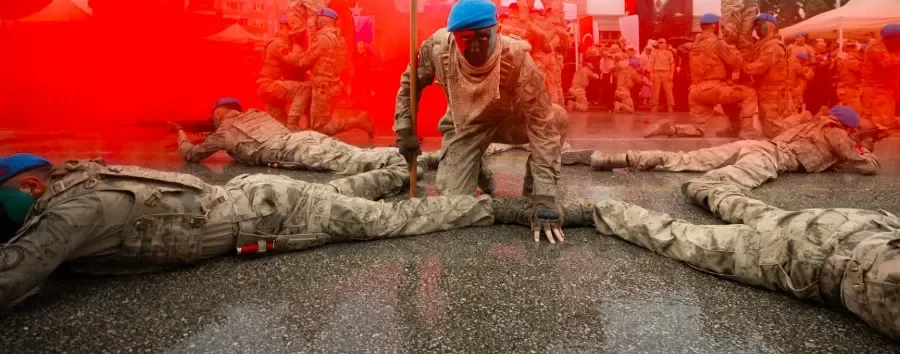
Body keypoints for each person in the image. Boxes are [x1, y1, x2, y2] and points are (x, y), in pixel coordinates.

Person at [0, 153, 592, 308]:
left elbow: (15, 273)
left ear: (30, 187)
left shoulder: (67, 213)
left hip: (267, 212)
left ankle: (500, 210)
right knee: (356, 191)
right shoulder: (82, 183)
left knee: (395, 219)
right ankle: (408, 165)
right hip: (254, 197)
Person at [593, 178, 900, 354]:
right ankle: (603, 208)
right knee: (682, 237)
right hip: (812, 256)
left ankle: (705, 190)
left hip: (870, 226)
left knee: (760, 214)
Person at [393, 0, 568, 243]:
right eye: (465, 39)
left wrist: (545, 196)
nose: (474, 47)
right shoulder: (437, 47)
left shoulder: (517, 57)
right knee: (453, 203)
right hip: (466, 127)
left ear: (497, 31)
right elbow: (411, 82)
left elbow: (542, 124)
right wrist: (404, 129)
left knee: (557, 118)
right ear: (455, 36)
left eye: (482, 38)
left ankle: (531, 195)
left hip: (509, 122)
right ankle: (474, 163)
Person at [585, 106, 878, 190]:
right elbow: (865, 166)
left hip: (757, 145)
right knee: (732, 182)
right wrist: (866, 148)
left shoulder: (813, 123)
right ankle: (698, 193)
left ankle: (617, 158)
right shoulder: (837, 133)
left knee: (684, 158)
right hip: (770, 156)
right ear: (849, 127)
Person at [177, 98, 382, 172]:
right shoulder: (257, 113)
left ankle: (406, 165)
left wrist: (180, 132)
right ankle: (404, 159)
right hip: (305, 138)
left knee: (357, 164)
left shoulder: (224, 131)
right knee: (359, 155)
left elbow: (191, 155)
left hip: (293, 149)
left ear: (219, 113)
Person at [644, 13, 756, 138]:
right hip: (713, 88)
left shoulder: (695, 45)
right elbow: (736, 63)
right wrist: (735, 48)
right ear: (714, 26)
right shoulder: (718, 43)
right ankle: (747, 129)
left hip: (696, 91)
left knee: (697, 128)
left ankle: (671, 129)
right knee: (749, 93)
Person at [298, 8, 355, 131]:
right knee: (322, 123)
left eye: (318, 19)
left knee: (319, 128)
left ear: (324, 20)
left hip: (322, 86)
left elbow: (304, 62)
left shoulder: (322, 39)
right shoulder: (339, 39)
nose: (316, 21)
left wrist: (302, 53)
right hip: (333, 84)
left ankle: (357, 122)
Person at [256, 15, 311, 129]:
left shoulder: (280, 42)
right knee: (304, 88)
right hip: (270, 86)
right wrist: (297, 43)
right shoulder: (279, 43)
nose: (298, 33)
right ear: (289, 27)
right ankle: (293, 125)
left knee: (279, 128)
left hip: (270, 88)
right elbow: (295, 60)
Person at [861, 23, 900, 129]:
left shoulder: (885, 46)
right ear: (892, 38)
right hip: (875, 91)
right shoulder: (875, 47)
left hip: (883, 90)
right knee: (880, 125)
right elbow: (889, 63)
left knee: (886, 123)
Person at [649, 38, 676, 112]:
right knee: (655, 91)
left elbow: (672, 64)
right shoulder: (654, 52)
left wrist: (671, 74)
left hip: (666, 72)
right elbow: (651, 64)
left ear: (665, 44)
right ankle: (654, 106)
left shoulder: (669, 53)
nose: (661, 44)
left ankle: (670, 106)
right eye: (660, 43)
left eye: (662, 43)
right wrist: (651, 74)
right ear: (658, 44)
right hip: (656, 72)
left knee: (668, 90)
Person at [836, 40, 864, 111]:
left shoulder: (846, 58)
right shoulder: (850, 59)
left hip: (849, 89)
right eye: (850, 47)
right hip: (849, 90)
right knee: (855, 112)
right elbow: (864, 70)